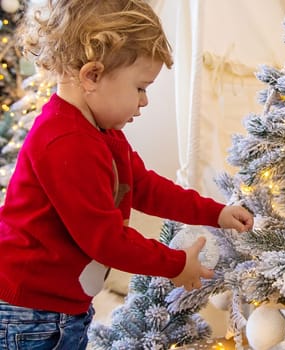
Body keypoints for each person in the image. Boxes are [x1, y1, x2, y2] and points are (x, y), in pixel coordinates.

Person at [0, 0, 254, 349]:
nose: (145, 101)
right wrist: (176, 264)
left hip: (59, 306)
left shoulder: (103, 133)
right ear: (92, 76)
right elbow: (106, 240)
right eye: (140, 88)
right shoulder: (65, 142)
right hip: (30, 313)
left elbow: (146, 187)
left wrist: (215, 212)